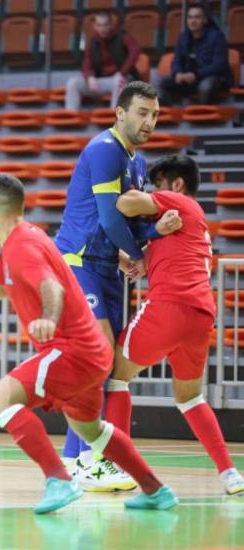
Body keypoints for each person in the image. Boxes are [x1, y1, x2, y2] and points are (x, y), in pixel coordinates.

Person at [0, 174, 178, 514]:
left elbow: (52, 287)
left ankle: (59, 479)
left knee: (0, 398)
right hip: (91, 354)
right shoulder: (25, 239)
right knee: (92, 429)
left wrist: (49, 319)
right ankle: (156, 490)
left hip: (71, 349)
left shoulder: (22, 247)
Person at [53, 81, 182, 491]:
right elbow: (110, 219)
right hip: (79, 265)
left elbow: (128, 222)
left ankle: (77, 458)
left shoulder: (137, 162)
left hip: (106, 267)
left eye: (155, 115)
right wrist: (142, 252)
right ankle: (85, 459)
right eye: (142, 112)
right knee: (96, 357)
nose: (149, 121)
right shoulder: (104, 150)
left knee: (104, 364)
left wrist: (155, 232)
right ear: (119, 113)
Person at [106, 154, 244, 497]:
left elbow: (126, 203)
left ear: (177, 185)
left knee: (114, 374)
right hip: (200, 316)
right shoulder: (194, 221)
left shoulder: (179, 201)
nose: (156, 192)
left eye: (159, 185)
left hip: (168, 307)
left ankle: (122, 468)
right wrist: (138, 259)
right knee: (190, 397)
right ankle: (230, 473)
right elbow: (156, 259)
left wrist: (123, 189)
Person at [65, 12, 142, 111]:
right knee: (73, 83)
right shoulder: (92, 42)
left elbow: (136, 50)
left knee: (119, 82)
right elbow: (86, 62)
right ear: (95, 26)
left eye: (105, 25)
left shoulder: (122, 36)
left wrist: (122, 72)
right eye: (99, 25)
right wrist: (89, 77)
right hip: (100, 80)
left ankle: (114, 118)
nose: (102, 29)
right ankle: (72, 115)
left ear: (110, 25)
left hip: (119, 78)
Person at [159, 4, 232, 106]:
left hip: (213, 78)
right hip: (189, 78)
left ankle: (200, 114)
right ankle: (175, 111)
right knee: (160, 82)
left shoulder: (217, 37)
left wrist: (196, 74)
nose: (193, 21)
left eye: (197, 17)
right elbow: (176, 61)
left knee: (205, 86)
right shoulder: (183, 37)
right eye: (190, 17)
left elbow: (219, 65)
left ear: (205, 20)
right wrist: (178, 73)